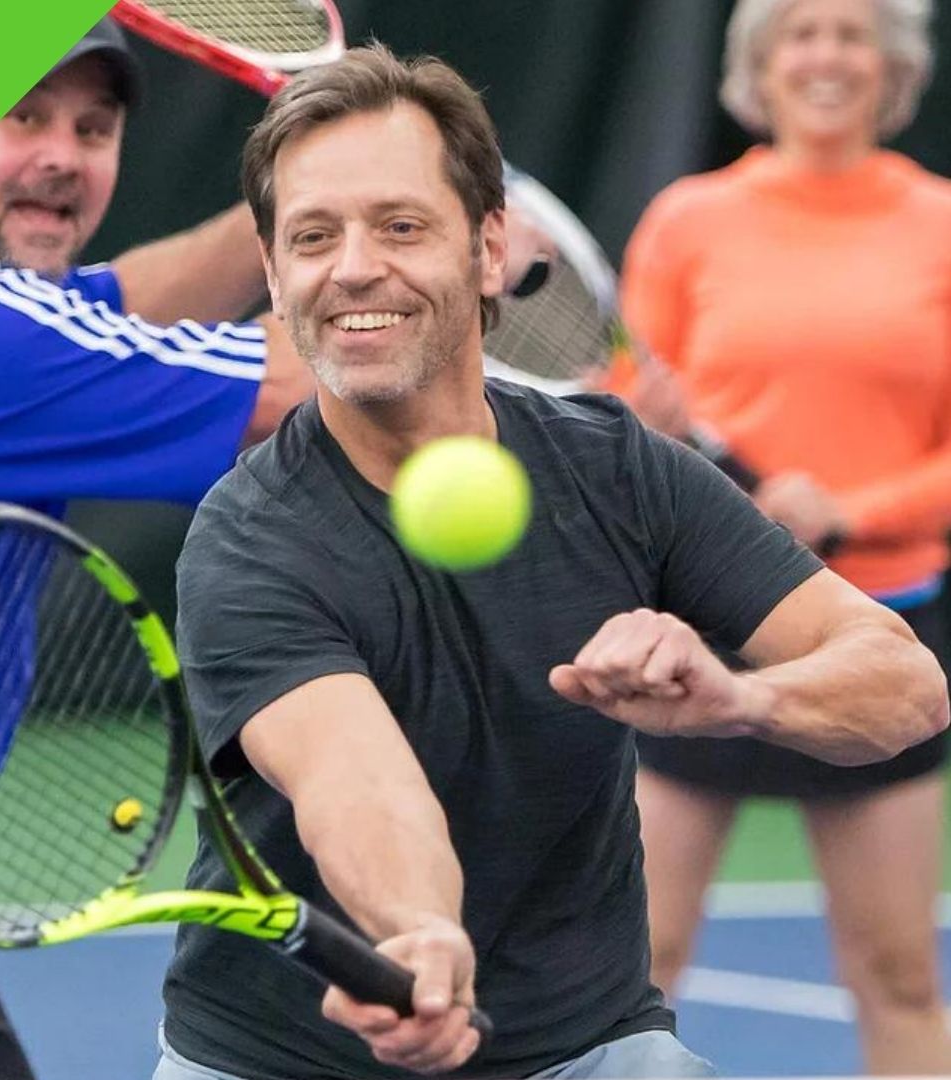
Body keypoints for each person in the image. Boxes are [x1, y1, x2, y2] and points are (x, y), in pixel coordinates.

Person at [154, 43, 948, 1080]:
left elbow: (904, 682)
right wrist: (422, 934)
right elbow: (355, 780)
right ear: (272, 273)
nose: (352, 266)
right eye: (313, 236)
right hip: (281, 1058)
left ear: (488, 251)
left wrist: (738, 701)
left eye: (400, 225)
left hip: (585, 1045)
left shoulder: (618, 470)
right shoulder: (248, 534)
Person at [0, 17, 316, 1080]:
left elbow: (125, 300)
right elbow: (292, 386)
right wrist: (424, 243)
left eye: (94, 125)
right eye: (19, 117)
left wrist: (297, 196)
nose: (62, 155)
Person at [618, 0, 951, 1073]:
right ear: (759, 63)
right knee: (638, 964)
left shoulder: (941, 223)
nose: (826, 56)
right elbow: (623, 413)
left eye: (853, 34)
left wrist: (851, 510)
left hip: (880, 636)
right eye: (801, 32)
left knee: (898, 973)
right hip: (700, 632)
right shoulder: (686, 220)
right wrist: (652, 438)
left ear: (892, 65)